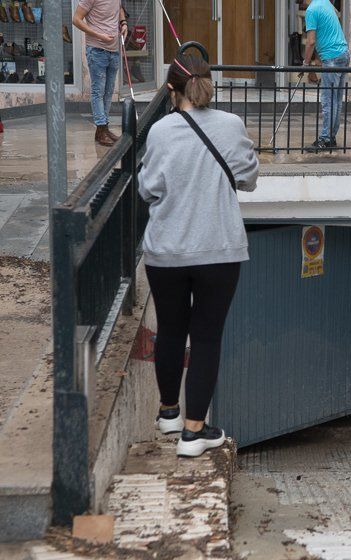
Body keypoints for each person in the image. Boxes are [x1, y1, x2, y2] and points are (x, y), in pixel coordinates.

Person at [138, 54, 259, 458]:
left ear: (172, 91)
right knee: (207, 336)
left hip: (167, 251)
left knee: (171, 329)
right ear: (208, 86)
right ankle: (194, 432)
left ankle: (168, 412)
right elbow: (248, 178)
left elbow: (148, 189)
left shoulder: (159, 132)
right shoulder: (231, 125)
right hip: (219, 249)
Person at [73, 0, 129, 146]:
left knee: (109, 92)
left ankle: (103, 129)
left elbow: (119, 7)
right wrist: (98, 35)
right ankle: (101, 128)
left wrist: (123, 23)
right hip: (97, 50)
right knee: (98, 91)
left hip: (114, 50)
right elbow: (76, 19)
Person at [301, 0, 349, 152]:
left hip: (332, 58)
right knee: (336, 100)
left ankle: (325, 139)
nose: (301, 4)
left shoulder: (311, 10)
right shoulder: (325, 2)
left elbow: (311, 42)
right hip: (343, 54)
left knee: (328, 101)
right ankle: (331, 136)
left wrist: (306, 65)